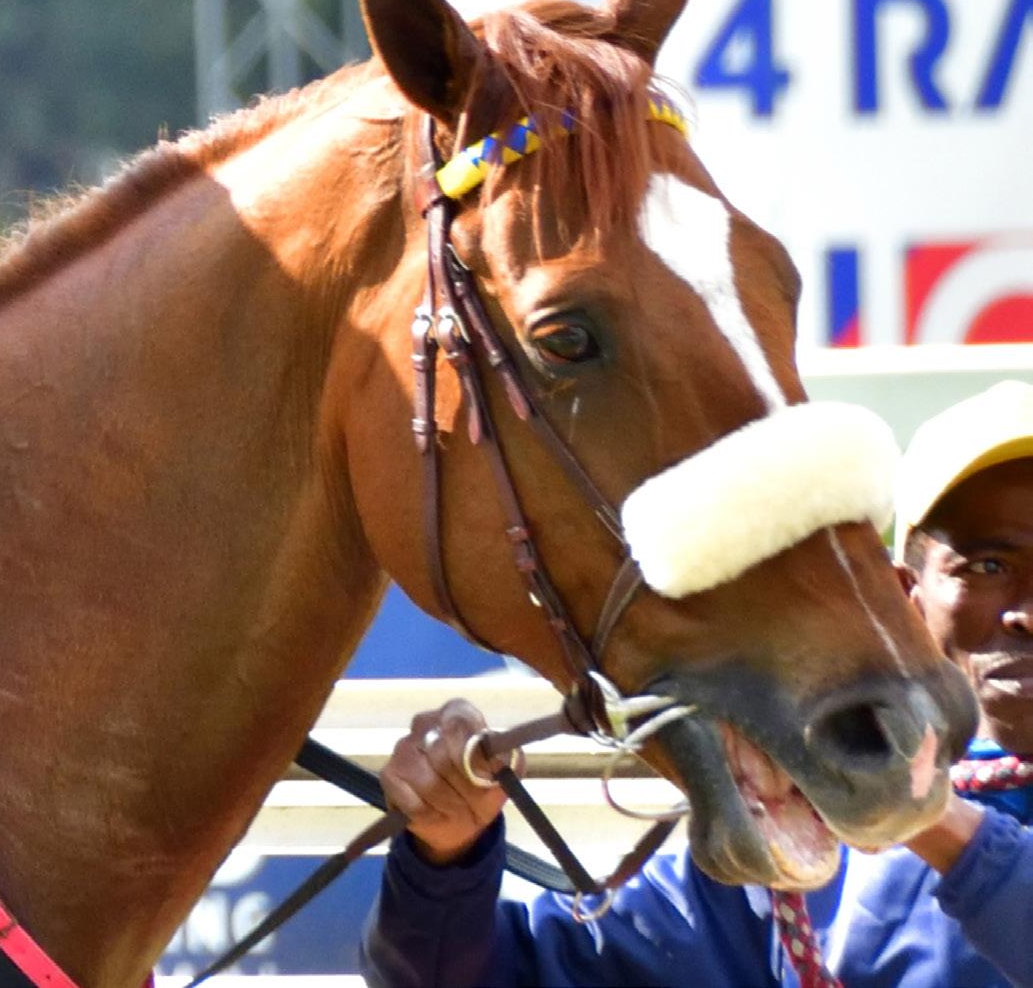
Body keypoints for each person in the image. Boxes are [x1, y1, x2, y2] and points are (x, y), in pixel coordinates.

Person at [360, 379, 1033, 987]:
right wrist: (444, 858)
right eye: (987, 566)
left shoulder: (844, 816)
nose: (1025, 612)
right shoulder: (793, 849)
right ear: (903, 599)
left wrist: (927, 816)